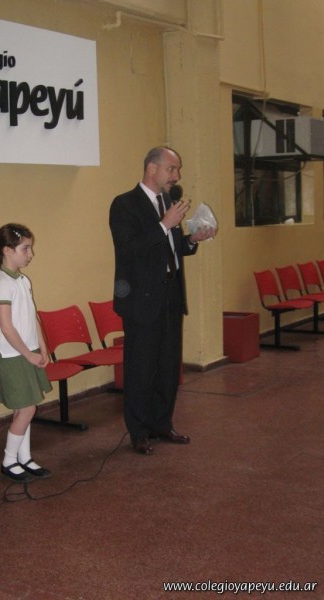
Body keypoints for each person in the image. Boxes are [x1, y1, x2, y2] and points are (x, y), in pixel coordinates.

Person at [109, 146, 216, 455]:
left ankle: (162, 423)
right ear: (151, 168)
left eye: (177, 170)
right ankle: (139, 431)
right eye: (172, 169)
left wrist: (191, 240)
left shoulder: (167, 203)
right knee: (141, 368)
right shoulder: (124, 205)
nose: (176, 176)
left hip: (170, 297)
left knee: (168, 366)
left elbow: (168, 248)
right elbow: (129, 250)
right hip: (141, 301)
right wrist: (164, 225)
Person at [0, 223, 52, 481]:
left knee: (24, 408)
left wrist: (42, 348)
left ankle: (24, 458)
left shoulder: (22, 280)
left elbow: (33, 317)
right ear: (7, 250)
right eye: (25, 248)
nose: (31, 254)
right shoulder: (2, 284)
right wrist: (28, 354)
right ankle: (9, 460)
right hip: (13, 355)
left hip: (27, 351)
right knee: (27, 409)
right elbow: (6, 327)